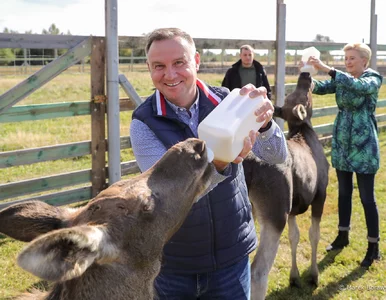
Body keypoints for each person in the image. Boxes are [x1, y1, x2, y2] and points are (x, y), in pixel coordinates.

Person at [130, 27, 288, 299]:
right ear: (149, 68)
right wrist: (221, 166)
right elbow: (168, 193)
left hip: (231, 256)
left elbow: (276, 156)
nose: (170, 74)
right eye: (159, 66)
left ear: (197, 61)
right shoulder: (144, 123)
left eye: (179, 62)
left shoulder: (229, 102)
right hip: (174, 262)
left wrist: (265, 124)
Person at [304, 43, 383, 268]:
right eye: (346, 58)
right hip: (342, 144)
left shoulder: (372, 78)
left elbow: (356, 86)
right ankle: (342, 236)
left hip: (364, 145)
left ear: (364, 61)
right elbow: (321, 86)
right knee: (344, 193)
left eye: (352, 58)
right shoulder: (342, 78)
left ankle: (373, 247)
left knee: (367, 198)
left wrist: (328, 68)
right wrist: (307, 76)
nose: (348, 61)